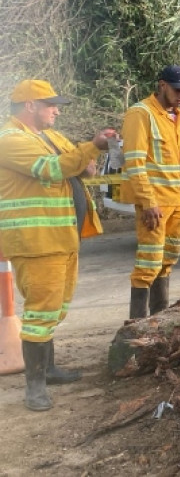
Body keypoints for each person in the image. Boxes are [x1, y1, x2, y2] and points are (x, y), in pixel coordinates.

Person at [0, 80, 116, 411]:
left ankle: (48, 369)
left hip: (63, 237)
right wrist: (90, 148)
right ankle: (34, 387)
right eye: (51, 103)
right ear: (29, 106)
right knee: (40, 312)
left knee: (55, 309)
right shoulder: (10, 140)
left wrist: (86, 155)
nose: (57, 109)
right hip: (36, 242)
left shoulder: (50, 137)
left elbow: (85, 165)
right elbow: (54, 169)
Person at [119, 65, 180, 319]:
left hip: (178, 201)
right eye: (177, 89)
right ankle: (137, 325)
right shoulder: (141, 113)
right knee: (148, 264)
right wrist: (148, 202)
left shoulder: (175, 115)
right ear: (162, 85)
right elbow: (135, 163)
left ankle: (160, 321)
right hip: (156, 205)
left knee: (168, 259)